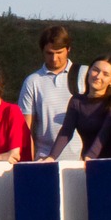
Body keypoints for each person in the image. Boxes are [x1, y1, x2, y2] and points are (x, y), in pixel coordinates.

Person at [18, 26, 87, 159]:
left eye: (59, 52)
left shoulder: (85, 74)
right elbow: (26, 128)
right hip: (45, 158)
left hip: (80, 159)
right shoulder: (32, 81)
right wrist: (28, 160)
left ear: (68, 49)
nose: (54, 58)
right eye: (49, 53)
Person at [44, 55, 111, 161]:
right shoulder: (76, 101)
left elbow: (104, 133)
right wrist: (51, 157)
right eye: (95, 70)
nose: (98, 76)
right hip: (87, 161)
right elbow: (66, 131)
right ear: (89, 71)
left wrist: (90, 157)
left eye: (105, 74)